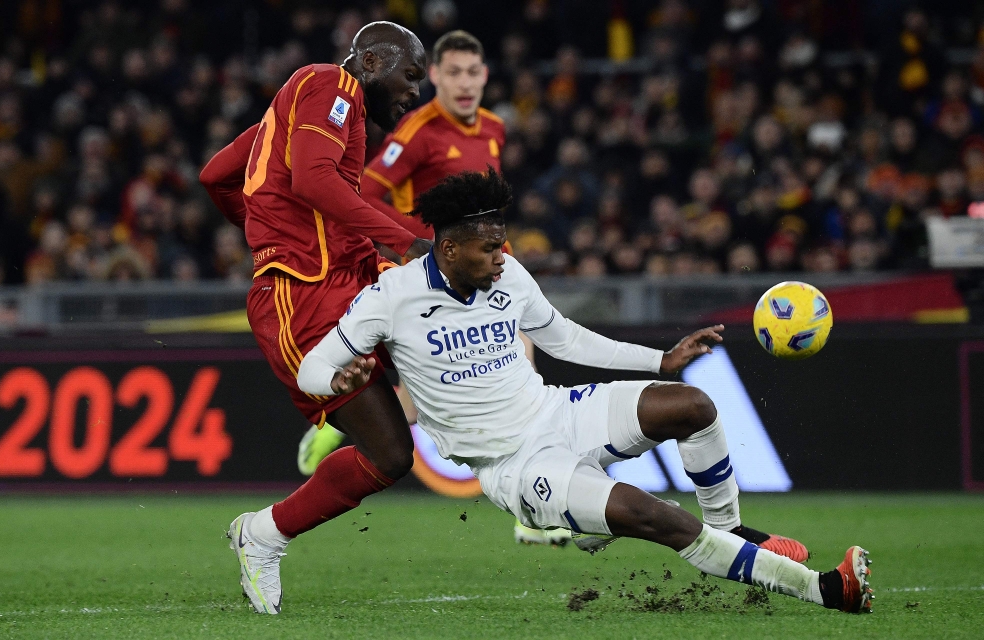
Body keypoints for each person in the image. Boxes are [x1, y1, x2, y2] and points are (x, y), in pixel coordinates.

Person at [226, 169, 859, 615]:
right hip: (516, 467)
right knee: (655, 516)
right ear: (448, 248)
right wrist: (335, 379)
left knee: (695, 407)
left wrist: (661, 360)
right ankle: (822, 589)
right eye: (488, 248)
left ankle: (730, 529)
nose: (502, 257)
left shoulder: (506, 274)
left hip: (558, 412)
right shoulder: (391, 298)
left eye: (502, 245)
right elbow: (312, 369)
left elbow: (564, 338)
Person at [291, 29, 566, 547]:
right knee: (506, 372)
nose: (464, 83)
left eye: (472, 73)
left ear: (485, 77)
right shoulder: (417, 130)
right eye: (453, 73)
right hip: (436, 269)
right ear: (435, 77)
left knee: (496, 377)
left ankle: (533, 505)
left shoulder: (493, 128)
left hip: (479, 267)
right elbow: (364, 191)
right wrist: (426, 241)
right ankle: (535, 505)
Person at [201, 22, 435, 615]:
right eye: (410, 75)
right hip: (302, 294)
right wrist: (401, 240)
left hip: (349, 280)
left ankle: (557, 484)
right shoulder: (331, 84)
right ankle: (264, 534)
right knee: (390, 454)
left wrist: (266, 221)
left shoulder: (299, 110)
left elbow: (217, 175)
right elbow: (310, 179)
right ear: (372, 61)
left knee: (448, 353)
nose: (415, 92)